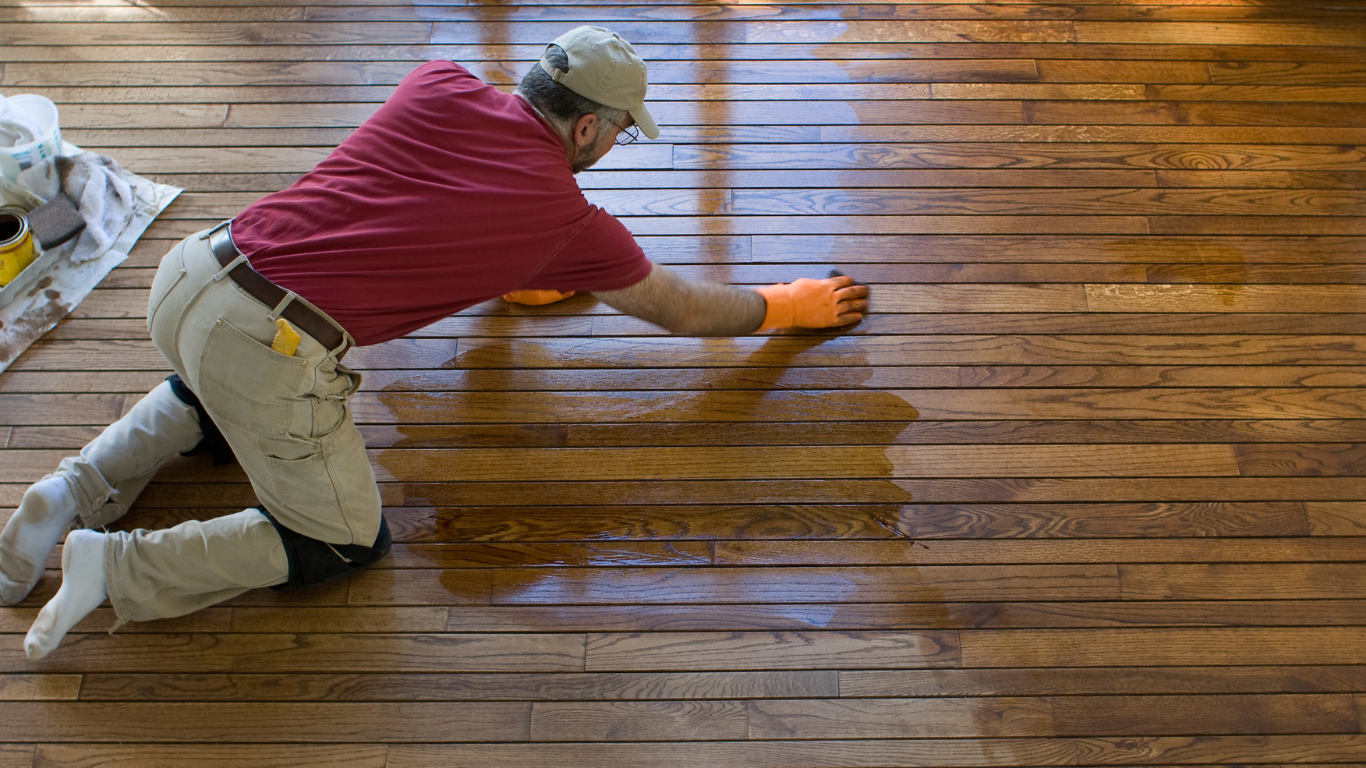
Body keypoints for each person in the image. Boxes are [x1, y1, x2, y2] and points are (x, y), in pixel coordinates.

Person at [0, 26, 869, 660]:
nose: (613, 147)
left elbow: (424, 203)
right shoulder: (568, 217)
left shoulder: (437, 83)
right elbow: (681, 311)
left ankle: (68, 488)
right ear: (587, 129)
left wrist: (519, 271)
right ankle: (112, 565)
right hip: (266, 344)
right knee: (339, 541)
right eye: (618, 132)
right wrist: (784, 306)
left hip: (193, 274)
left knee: (212, 394)